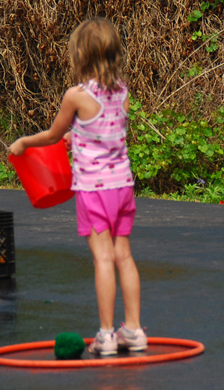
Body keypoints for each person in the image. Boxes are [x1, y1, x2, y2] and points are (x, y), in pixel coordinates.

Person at [8, 18, 144, 356]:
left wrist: (24, 143)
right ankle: (135, 330)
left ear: (80, 54)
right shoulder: (123, 90)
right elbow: (107, 131)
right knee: (123, 256)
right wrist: (79, 135)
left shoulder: (76, 95)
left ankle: (107, 334)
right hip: (122, 185)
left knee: (102, 259)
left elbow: (52, 135)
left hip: (94, 190)